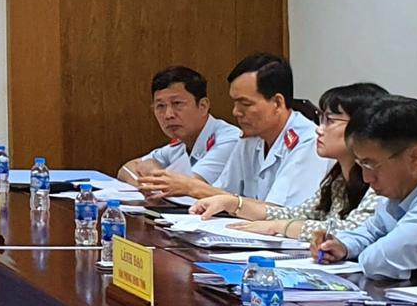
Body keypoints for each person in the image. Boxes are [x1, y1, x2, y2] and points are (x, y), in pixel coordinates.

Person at [189, 83, 387, 240]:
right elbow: (294, 214)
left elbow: (353, 231)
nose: (319, 129)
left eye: (330, 121)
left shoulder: (380, 181)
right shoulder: (338, 180)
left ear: (363, 127)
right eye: (321, 119)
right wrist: (233, 203)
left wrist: (281, 227)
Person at [313, 96, 417, 282]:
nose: (366, 178)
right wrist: (343, 246)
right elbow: (371, 231)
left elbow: (380, 262)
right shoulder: (403, 189)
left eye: (370, 165)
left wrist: (363, 251)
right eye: (360, 164)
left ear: (415, 157)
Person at [139, 53, 328, 205]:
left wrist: (192, 187)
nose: (235, 112)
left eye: (245, 104)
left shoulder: (308, 142)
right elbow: (223, 191)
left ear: (277, 103)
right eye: (234, 103)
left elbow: (278, 213)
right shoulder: (251, 138)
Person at [119, 65, 241, 189]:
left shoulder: (229, 140)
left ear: (203, 106)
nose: (168, 115)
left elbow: (187, 188)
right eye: (160, 106)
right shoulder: (180, 146)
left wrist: (151, 174)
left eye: (177, 103)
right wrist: (146, 183)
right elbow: (126, 169)